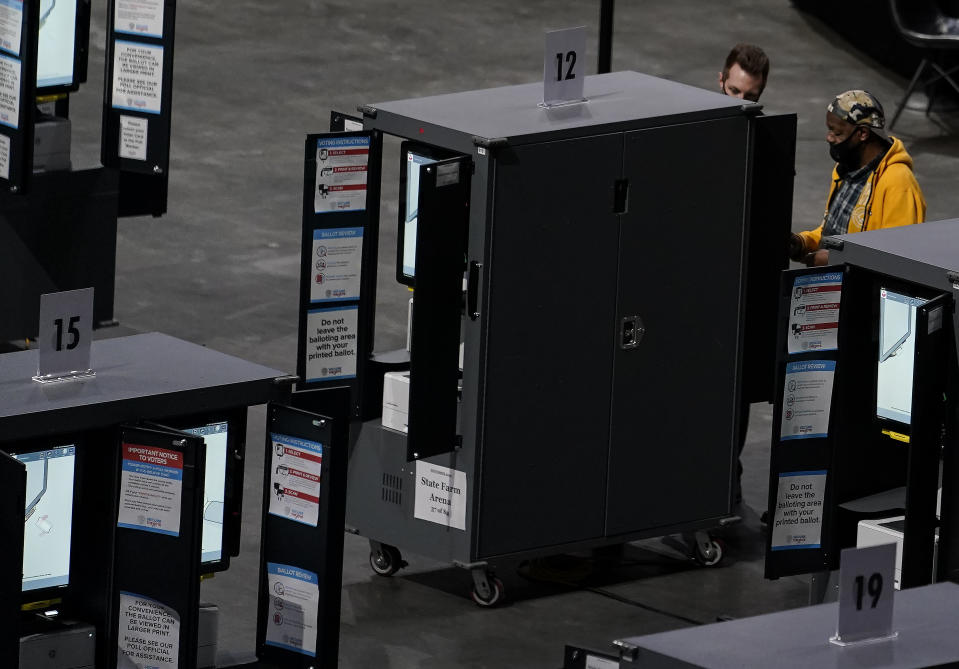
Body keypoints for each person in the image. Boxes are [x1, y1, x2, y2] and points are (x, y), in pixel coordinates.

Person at [790, 90, 926, 266]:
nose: (828, 137)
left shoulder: (899, 183)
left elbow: (899, 258)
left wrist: (833, 260)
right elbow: (834, 233)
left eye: (836, 132)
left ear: (862, 133)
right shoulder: (846, 169)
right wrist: (803, 243)